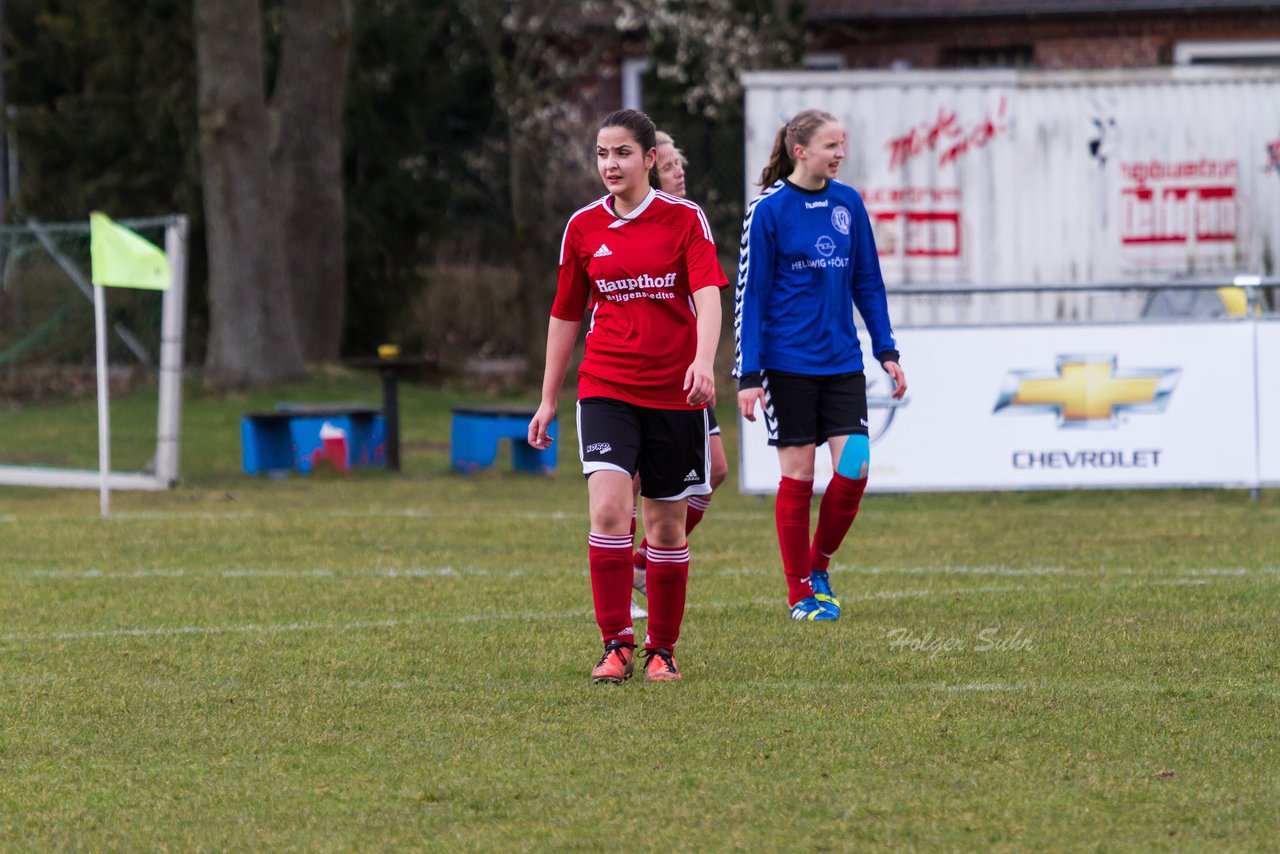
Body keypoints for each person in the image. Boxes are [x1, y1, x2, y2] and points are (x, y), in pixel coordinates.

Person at [528, 109, 728, 682]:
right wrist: (547, 399)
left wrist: (702, 362)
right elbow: (565, 314)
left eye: (621, 154)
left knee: (665, 526)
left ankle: (661, 649)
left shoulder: (685, 219)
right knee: (610, 511)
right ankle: (615, 644)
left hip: (675, 391)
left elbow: (708, 294)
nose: (610, 165)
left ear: (648, 159)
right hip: (606, 388)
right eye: (601, 154)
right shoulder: (583, 227)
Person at [734, 108, 907, 621]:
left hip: (841, 362)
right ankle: (799, 595)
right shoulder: (767, 211)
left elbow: (867, 283)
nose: (841, 154)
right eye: (831, 145)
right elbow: (751, 297)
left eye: (843, 144)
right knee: (799, 476)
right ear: (800, 150)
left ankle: (819, 564)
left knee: (854, 470)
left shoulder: (848, 203)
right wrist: (748, 375)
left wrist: (887, 350)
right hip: (786, 365)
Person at [629, 130, 729, 620]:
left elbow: (708, 294)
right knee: (630, 483)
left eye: (680, 164)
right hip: (642, 378)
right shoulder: (627, 229)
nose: (678, 172)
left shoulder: (690, 225)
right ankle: (631, 571)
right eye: (669, 166)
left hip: (690, 374)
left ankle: (646, 559)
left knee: (715, 472)